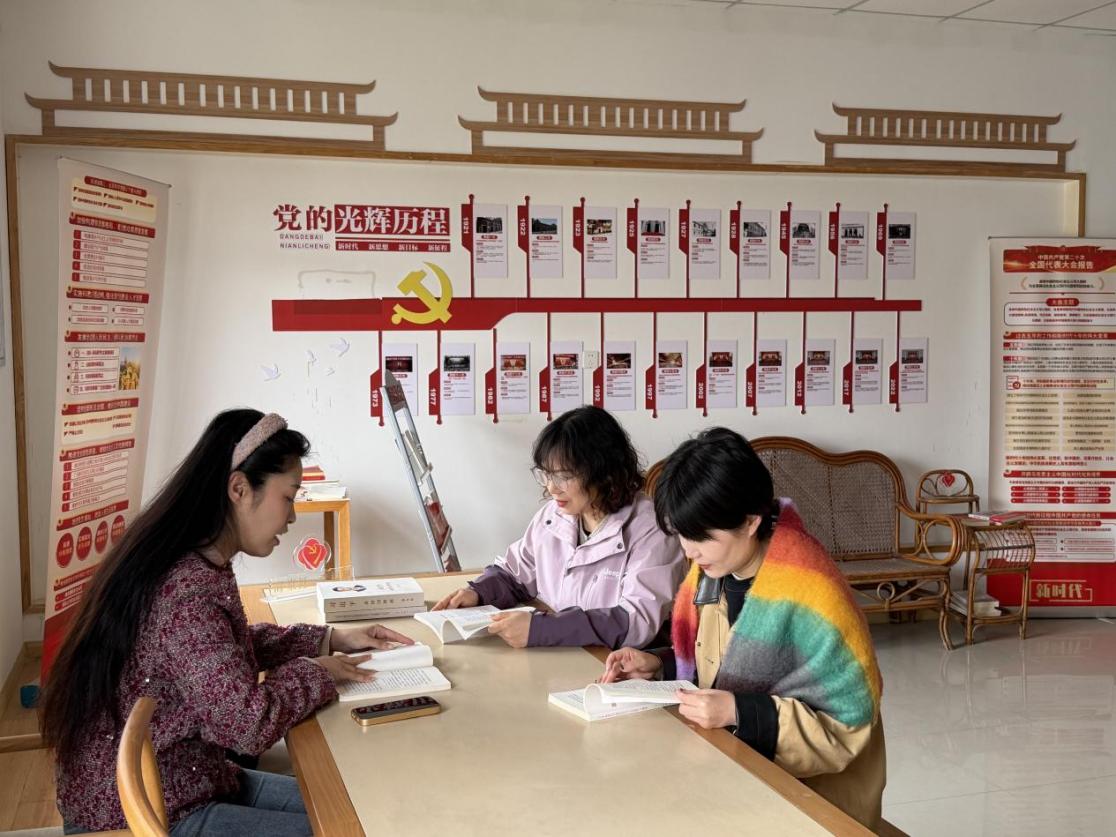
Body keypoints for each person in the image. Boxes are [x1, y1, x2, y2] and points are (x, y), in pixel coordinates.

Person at [41, 409, 414, 836]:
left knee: (364, 808)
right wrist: (318, 672)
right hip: (145, 812)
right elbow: (247, 724)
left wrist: (331, 638)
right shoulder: (186, 590)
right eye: (289, 497)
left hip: (187, 780)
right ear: (239, 488)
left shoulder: (192, 561)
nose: (292, 517)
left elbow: (220, 653)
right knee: (357, 827)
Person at [600, 428, 885, 830]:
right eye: (681, 534)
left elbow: (847, 730)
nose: (689, 550)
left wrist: (738, 711)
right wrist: (660, 665)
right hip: (737, 773)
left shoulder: (813, 594)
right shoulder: (715, 568)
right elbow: (720, 663)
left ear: (750, 521)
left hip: (818, 804)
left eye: (701, 536)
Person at [433, 406, 684, 649]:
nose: (552, 488)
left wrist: (542, 629)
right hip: (559, 652)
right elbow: (516, 572)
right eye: (547, 474)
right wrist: (478, 593)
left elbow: (635, 622)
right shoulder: (555, 514)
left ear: (603, 473)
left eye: (564, 476)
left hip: (611, 663)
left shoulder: (653, 529)